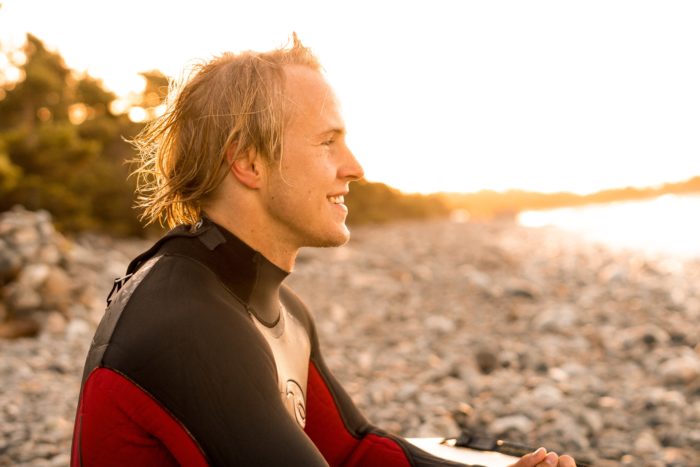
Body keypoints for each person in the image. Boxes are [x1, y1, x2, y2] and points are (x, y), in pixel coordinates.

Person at [70, 35, 577, 467]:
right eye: (327, 142)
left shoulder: (275, 308)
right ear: (248, 162)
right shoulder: (184, 325)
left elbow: (353, 450)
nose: (354, 167)